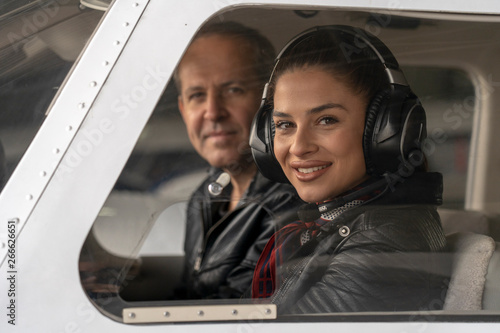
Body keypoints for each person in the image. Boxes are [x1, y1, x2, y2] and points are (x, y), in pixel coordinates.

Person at [249, 25, 448, 313]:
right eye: (285, 125)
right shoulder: (333, 223)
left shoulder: (385, 240)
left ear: (384, 131)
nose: (298, 146)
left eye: (326, 120)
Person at [174, 22, 301, 299]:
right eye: (197, 95)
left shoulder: (292, 203)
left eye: (233, 90)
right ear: (183, 109)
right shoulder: (205, 196)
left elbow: (231, 314)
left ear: (269, 101)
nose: (213, 112)